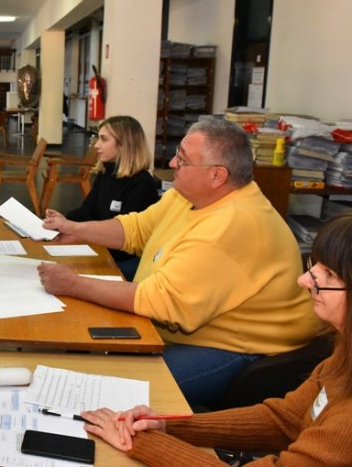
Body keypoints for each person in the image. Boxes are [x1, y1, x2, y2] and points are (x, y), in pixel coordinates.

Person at [39, 118, 318, 406]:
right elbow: (135, 229)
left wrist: (72, 284)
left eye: (183, 160)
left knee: (120, 390)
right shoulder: (187, 197)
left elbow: (161, 301)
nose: (172, 163)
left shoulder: (230, 225)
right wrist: (76, 229)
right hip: (187, 325)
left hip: (239, 346)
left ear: (217, 176)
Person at [81, 212, 352, 466]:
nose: (305, 280)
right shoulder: (343, 352)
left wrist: (142, 443)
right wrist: (167, 425)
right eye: (314, 266)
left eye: (327, 274)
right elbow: (284, 419)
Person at [60, 116, 159, 280]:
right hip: (100, 249)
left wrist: (76, 230)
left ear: (123, 145)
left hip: (125, 259)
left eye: (103, 140)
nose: (97, 146)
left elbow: (126, 238)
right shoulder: (107, 173)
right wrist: (63, 220)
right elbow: (88, 210)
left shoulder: (142, 183)